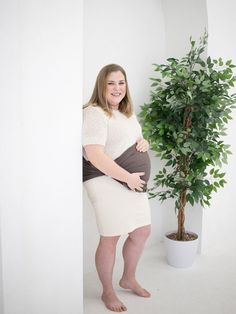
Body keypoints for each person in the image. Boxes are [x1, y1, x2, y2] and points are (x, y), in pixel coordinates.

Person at [82, 64, 151, 312]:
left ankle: (128, 278)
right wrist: (127, 178)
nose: (117, 88)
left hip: (130, 182)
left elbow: (130, 140)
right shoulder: (94, 113)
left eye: (121, 82)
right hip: (104, 180)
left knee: (142, 230)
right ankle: (107, 291)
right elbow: (95, 155)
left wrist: (142, 142)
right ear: (101, 85)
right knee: (110, 237)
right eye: (111, 83)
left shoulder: (127, 113)